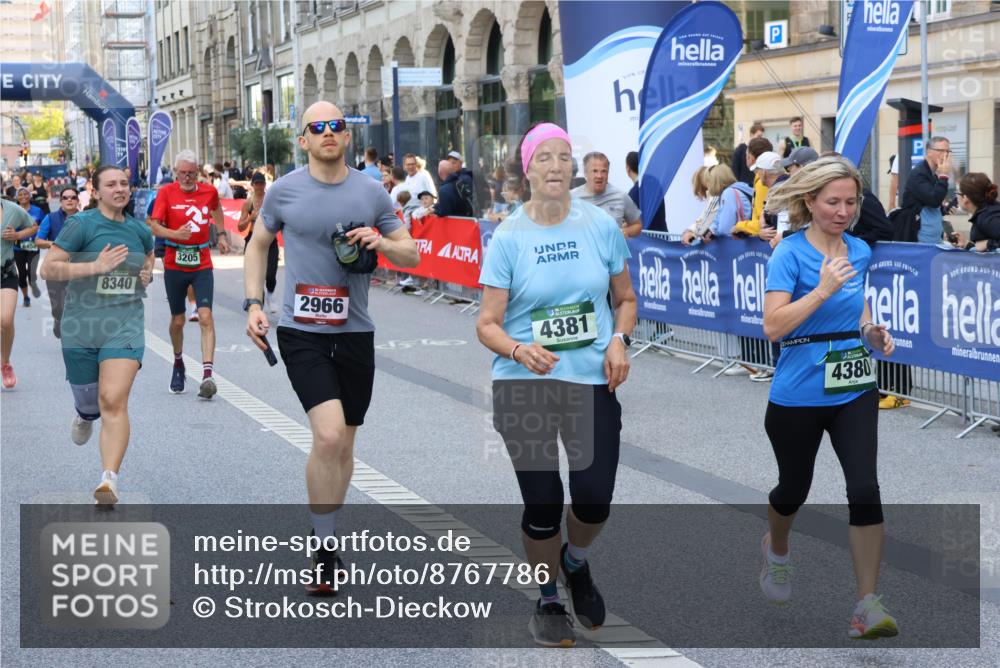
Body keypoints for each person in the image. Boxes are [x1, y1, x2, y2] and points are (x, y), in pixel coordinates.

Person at [244, 101, 419, 593]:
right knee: (327, 436)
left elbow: (411, 251)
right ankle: (322, 551)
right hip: (302, 330)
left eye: (335, 126)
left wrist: (381, 243)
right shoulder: (283, 191)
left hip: (355, 330)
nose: (327, 132)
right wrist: (254, 303)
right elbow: (258, 245)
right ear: (303, 140)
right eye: (316, 127)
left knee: (345, 443)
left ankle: (328, 539)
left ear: (346, 136)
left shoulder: (370, 191)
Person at [476, 122, 637, 648]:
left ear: (574, 167)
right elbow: (487, 323)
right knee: (544, 500)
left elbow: (626, 300)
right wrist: (519, 349)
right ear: (527, 168)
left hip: (590, 378)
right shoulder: (510, 237)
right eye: (543, 157)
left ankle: (576, 561)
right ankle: (547, 594)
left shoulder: (599, 225)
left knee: (594, 500)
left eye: (563, 157)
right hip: (524, 382)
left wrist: (619, 340)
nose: (555, 166)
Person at [761, 156, 898, 640]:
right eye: (833, 202)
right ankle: (777, 549)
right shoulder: (790, 254)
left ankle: (867, 603)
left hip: (853, 387)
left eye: (851, 202)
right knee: (792, 490)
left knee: (864, 488)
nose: (843, 211)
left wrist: (870, 332)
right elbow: (773, 327)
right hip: (798, 391)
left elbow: (857, 306)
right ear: (809, 202)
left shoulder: (859, 251)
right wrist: (821, 290)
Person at [39, 165, 154, 505]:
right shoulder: (81, 225)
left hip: (125, 324)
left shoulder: (139, 229)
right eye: (111, 184)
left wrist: (146, 273)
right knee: (92, 404)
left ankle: (109, 479)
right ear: (97, 190)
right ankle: (84, 413)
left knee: (113, 401)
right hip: (82, 326)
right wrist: (95, 267)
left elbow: (148, 257)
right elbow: (49, 268)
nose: (120, 188)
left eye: (124, 183)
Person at [150, 149, 231, 398]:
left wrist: (222, 234)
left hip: (202, 262)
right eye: (183, 173)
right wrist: (175, 235)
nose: (187, 178)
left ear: (197, 173)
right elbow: (153, 224)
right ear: (175, 172)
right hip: (175, 263)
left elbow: (217, 209)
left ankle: (207, 375)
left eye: (192, 173)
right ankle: (178, 362)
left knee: (205, 316)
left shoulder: (208, 191)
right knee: (178, 321)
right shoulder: (166, 193)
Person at [1, 198, 39, 388]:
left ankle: (5, 363)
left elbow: (33, 227)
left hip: (6, 272)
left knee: (6, 320)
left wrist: (17, 234)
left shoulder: (12, 210)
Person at [36, 186, 82, 338]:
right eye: (66, 198)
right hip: (55, 267)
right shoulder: (50, 218)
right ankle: (58, 319)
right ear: (60, 201)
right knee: (58, 306)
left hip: (79, 268)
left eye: (73, 197)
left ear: (77, 200)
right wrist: (52, 245)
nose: (69, 200)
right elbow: (38, 240)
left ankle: (74, 333)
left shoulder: (87, 218)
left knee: (79, 302)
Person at [570, 152, 642, 238]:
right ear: (585, 173)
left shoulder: (621, 196)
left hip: (612, 251)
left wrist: (625, 232)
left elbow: (637, 225)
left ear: (608, 173)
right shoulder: (571, 198)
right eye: (595, 171)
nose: (599, 176)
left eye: (604, 171)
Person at [237, 172, 279, 313]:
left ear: (265, 185)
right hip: (252, 238)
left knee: (270, 274)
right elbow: (240, 226)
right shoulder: (248, 203)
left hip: (270, 240)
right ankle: (257, 303)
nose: (259, 186)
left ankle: (270, 295)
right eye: (257, 184)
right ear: (253, 185)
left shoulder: (270, 201)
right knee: (256, 274)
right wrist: (251, 218)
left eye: (262, 183)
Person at [898, 136, 952, 244]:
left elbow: (929, 204)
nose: (945, 155)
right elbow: (934, 200)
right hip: (921, 238)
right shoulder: (919, 174)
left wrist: (944, 209)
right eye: (941, 151)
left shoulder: (933, 175)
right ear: (929, 152)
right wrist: (944, 176)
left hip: (934, 237)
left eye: (948, 151)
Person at [953, 173, 1000, 251]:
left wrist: (988, 243)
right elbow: (984, 252)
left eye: (957, 193)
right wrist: (967, 244)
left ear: (965, 198)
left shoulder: (988, 218)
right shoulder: (986, 212)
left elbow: (986, 246)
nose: (956, 197)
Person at [13, 187, 43, 307]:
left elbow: (44, 226)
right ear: (16, 197)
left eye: (25, 193)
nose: (23, 196)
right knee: (22, 274)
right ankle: (26, 297)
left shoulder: (37, 211)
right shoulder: (13, 211)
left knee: (31, 273)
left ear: (30, 195)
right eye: (20, 194)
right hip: (18, 247)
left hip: (33, 246)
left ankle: (33, 284)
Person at [624, 151, 666, 232]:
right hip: (663, 239)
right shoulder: (655, 183)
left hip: (647, 241)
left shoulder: (633, 193)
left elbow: (629, 223)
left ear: (628, 169)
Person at [733, 122, 765, 187]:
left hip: (756, 185)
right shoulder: (740, 149)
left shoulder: (761, 150)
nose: (760, 139)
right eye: (758, 136)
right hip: (743, 186)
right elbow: (735, 169)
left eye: (761, 137)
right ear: (751, 134)